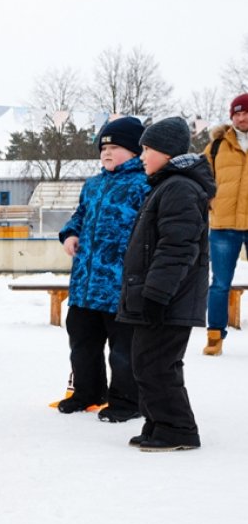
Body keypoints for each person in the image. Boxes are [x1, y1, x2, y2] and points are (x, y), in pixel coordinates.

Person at [117, 117, 214, 451]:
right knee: (146, 363)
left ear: (168, 152)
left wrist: (156, 294)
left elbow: (176, 247)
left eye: (147, 149)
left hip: (170, 297)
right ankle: (158, 421)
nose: (142, 156)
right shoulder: (166, 185)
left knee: (157, 364)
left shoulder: (180, 188)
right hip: (159, 295)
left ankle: (178, 429)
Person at [56, 117, 150, 421]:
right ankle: (87, 391)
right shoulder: (93, 185)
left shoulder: (144, 184)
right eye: (103, 147)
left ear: (135, 151)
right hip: (85, 284)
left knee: (122, 349)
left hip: (119, 285)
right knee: (82, 342)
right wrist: (70, 234)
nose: (107, 152)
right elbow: (79, 216)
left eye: (116, 146)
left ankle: (126, 400)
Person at [201, 93, 248, 355]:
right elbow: (202, 176)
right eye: (236, 114)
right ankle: (215, 336)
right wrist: (211, 202)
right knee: (220, 283)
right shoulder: (218, 145)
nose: (241, 118)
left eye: (245, 113)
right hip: (224, 223)